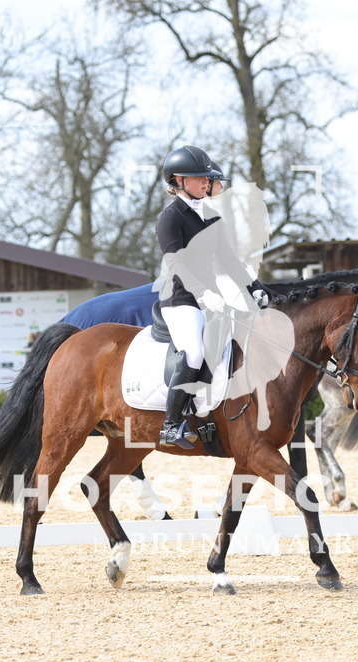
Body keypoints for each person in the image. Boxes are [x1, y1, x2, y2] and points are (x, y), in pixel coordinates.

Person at [154, 144, 250, 448]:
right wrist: (203, 293)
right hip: (180, 300)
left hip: (213, 299)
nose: (206, 182)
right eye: (199, 178)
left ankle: (206, 415)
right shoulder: (170, 218)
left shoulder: (209, 216)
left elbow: (230, 259)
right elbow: (175, 262)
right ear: (178, 180)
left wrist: (255, 287)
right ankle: (170, 425)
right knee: (194, 352)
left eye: (207, 178)